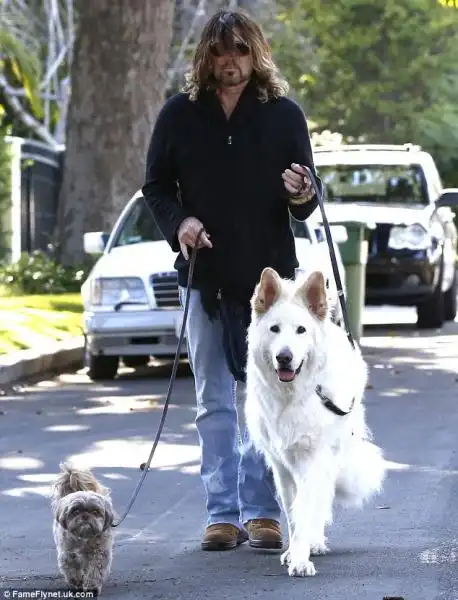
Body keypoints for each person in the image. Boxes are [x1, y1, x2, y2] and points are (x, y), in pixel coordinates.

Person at [142, 8, 321, 552]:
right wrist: (182, 224)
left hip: (269, 291)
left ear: (255, 54)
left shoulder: (283, 114)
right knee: (213, 402)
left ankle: (264, 512)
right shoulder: (179, 114)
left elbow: (306, 203)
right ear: (207, 58)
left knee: (266, 401)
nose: (231, 64)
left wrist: (300, 190)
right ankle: (223, 515)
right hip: (206, 279)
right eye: (221, 55)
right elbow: (156, 187)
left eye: (240, 53)